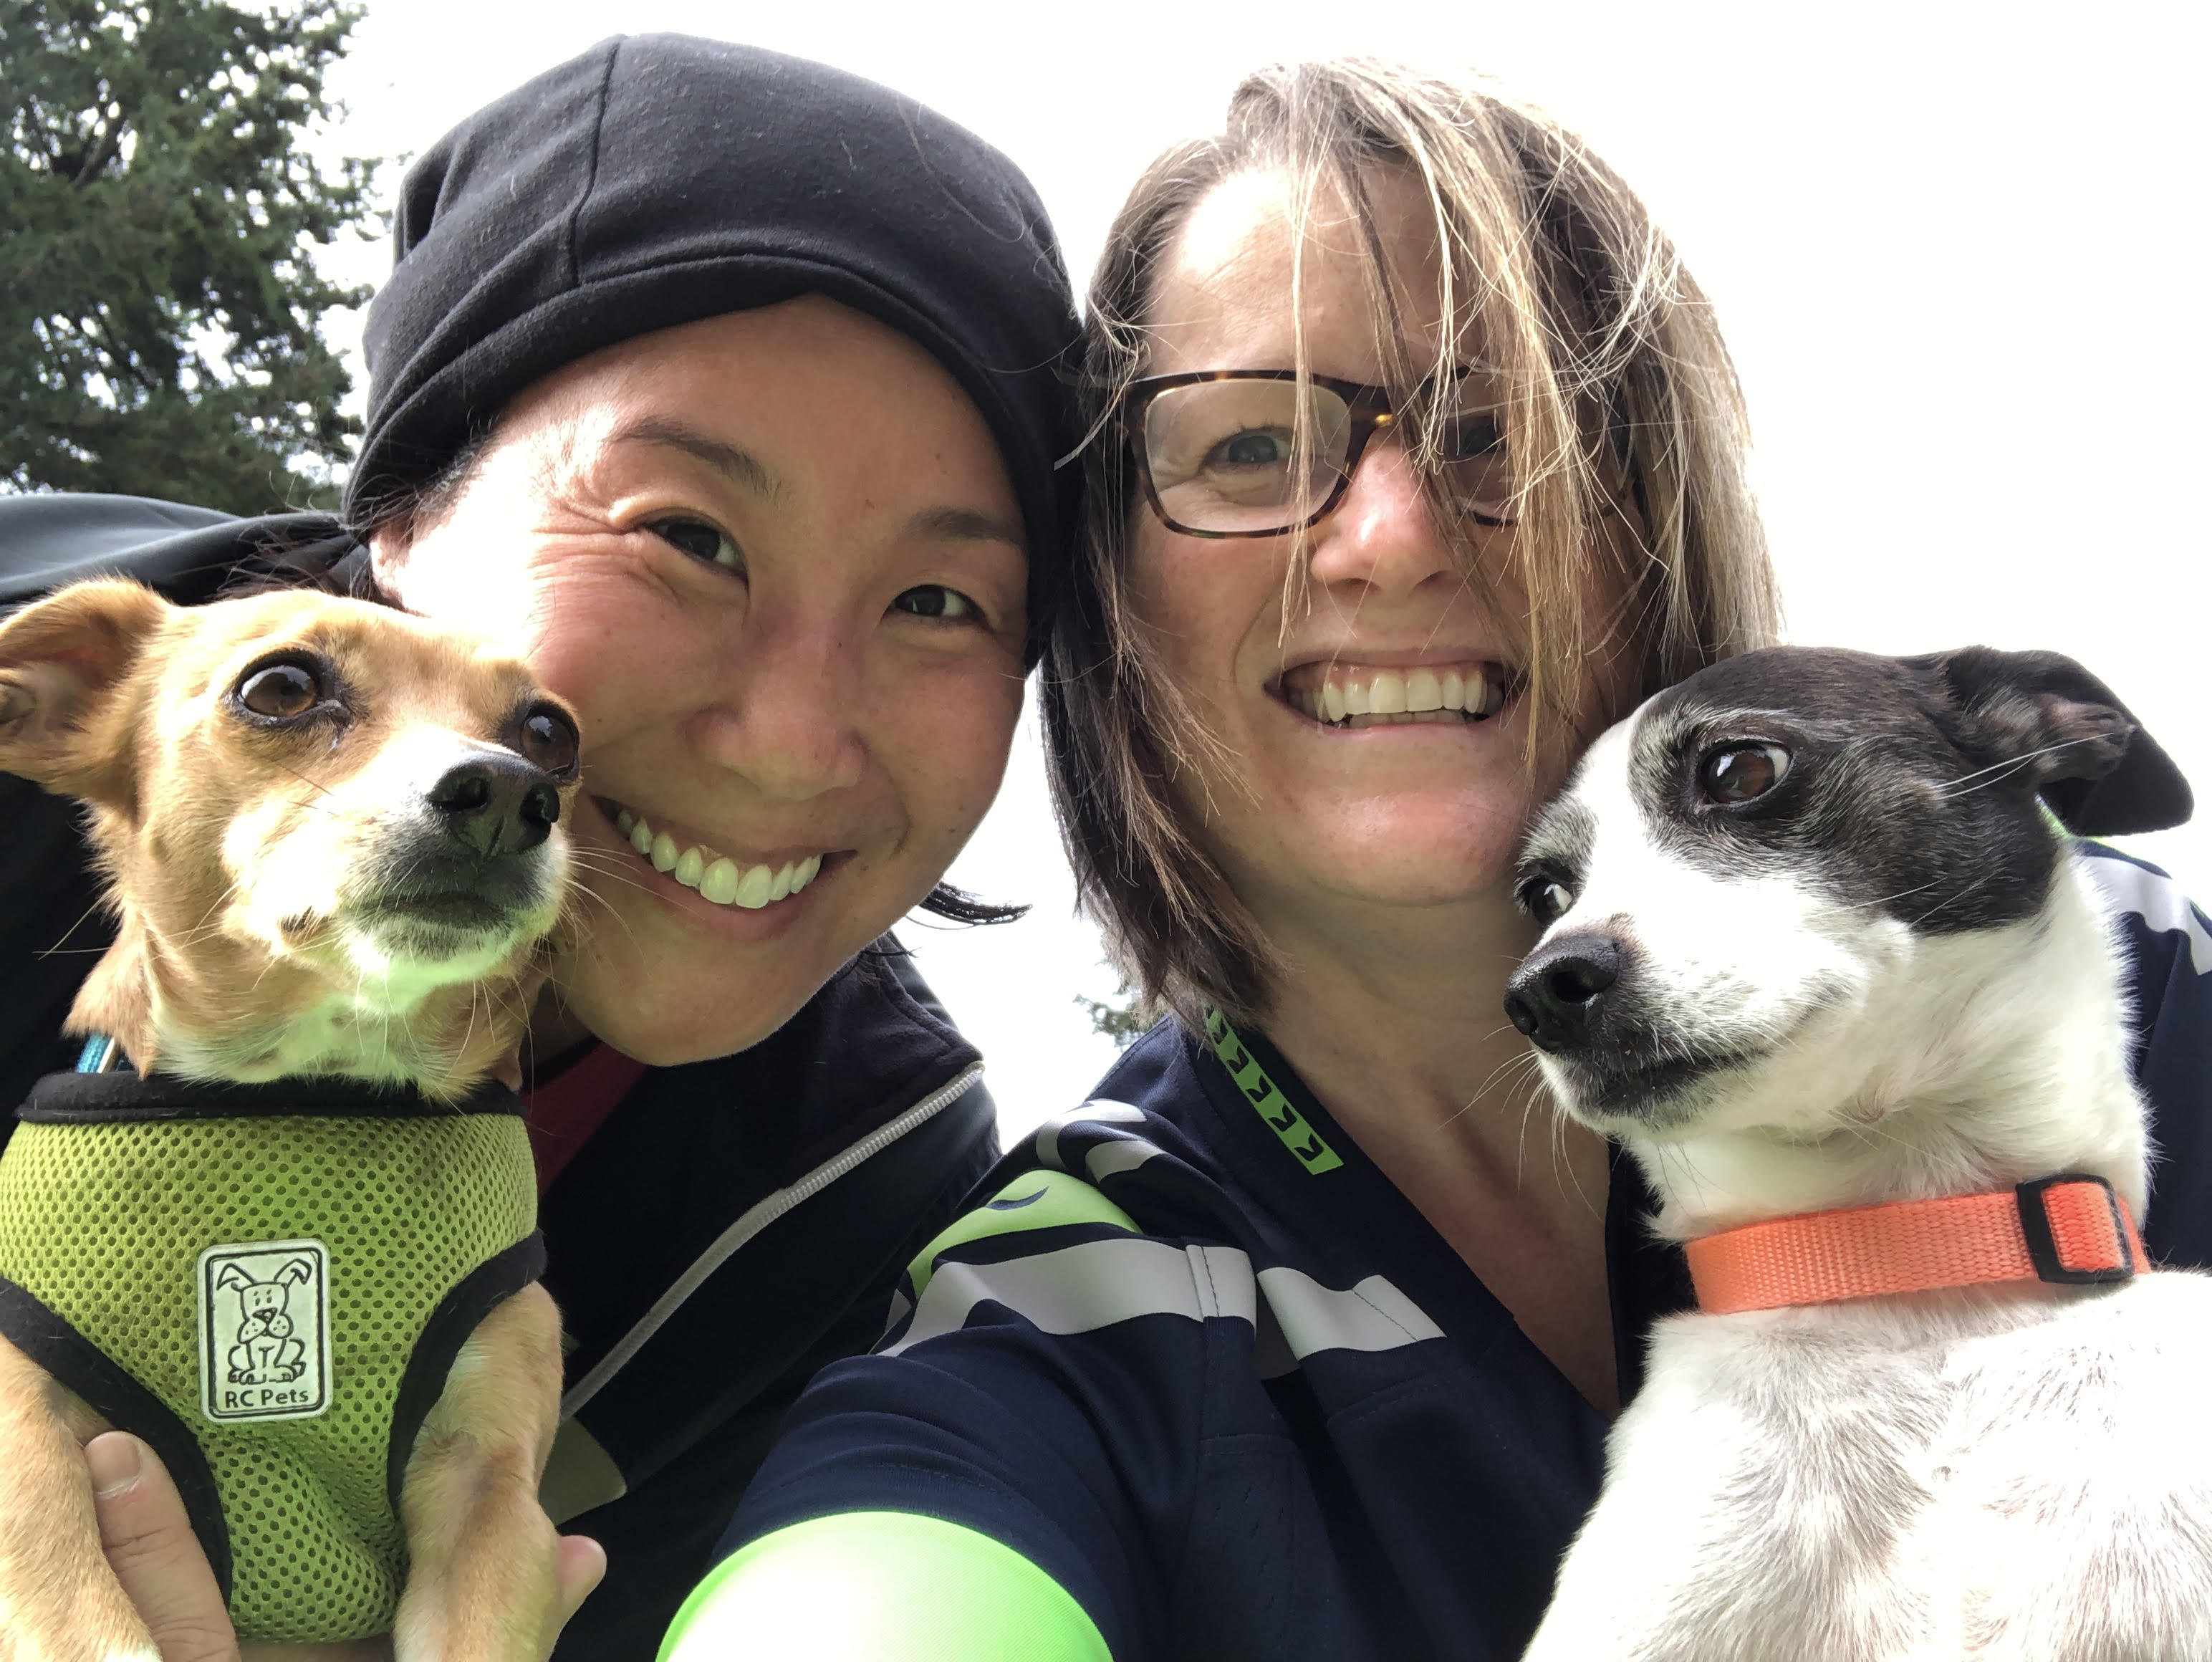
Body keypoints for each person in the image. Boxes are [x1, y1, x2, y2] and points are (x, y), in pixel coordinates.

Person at [669, 59, 2212, 1660]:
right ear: (1103, 599)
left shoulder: (2120, 972)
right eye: (1246, 451)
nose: (1389, 535)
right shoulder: (1066, 1305)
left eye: (1500, 427)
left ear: (1651, 510)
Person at [0, 34, 1079, 1658]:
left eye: (938, 602)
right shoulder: (84, 695)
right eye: (683, 534)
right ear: (402, 524)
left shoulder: (870, 1183)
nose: (789, 740)